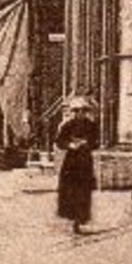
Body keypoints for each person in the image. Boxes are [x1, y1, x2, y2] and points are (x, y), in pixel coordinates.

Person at [55, 96, 99, 234]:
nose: (79, 114)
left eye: (83, 111)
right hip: (71, 161)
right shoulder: (67, 126)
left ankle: (81, 218)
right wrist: (70, 145)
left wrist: (87, 144)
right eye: (77, 111)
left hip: (84, 160)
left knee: (83, 190)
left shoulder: (91, 126)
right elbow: (59, 141)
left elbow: (95, 142)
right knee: (70, 190)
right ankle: (72, 218)